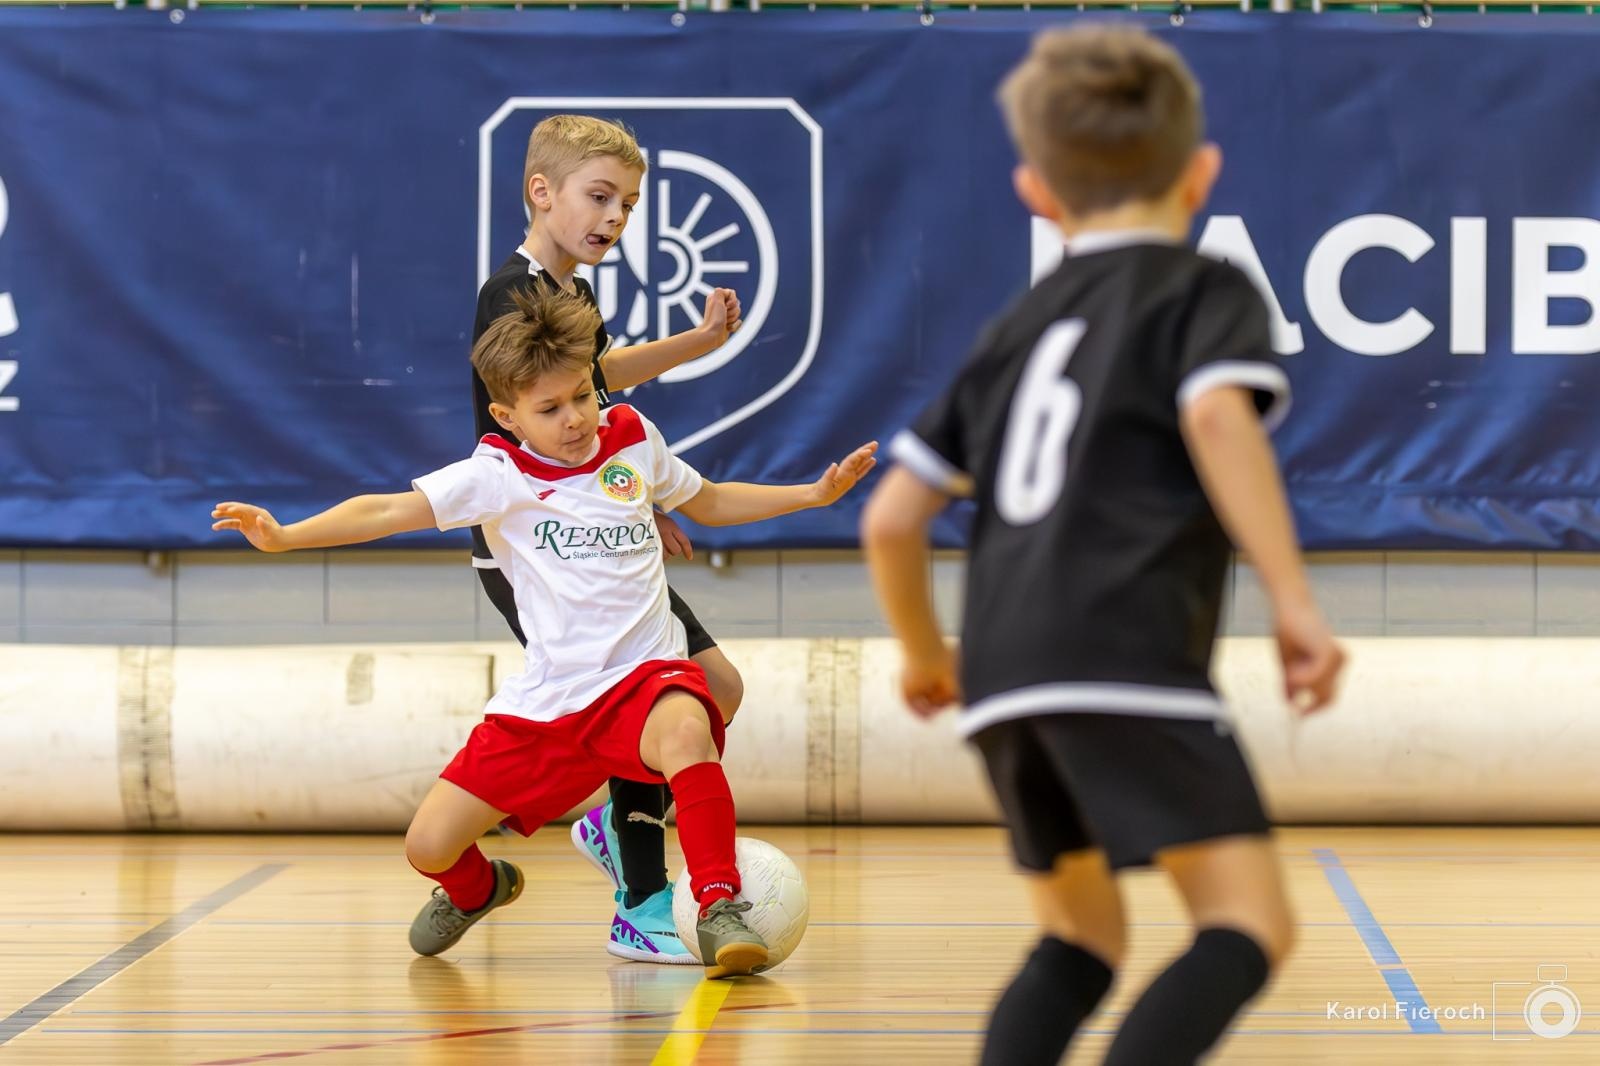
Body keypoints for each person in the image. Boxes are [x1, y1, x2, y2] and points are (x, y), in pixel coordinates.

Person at [860, 26, 1346, 1065]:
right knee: (1247, 925)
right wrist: (1294, 603)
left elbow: (891, 516)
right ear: (1202, 172)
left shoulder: (1013, 327)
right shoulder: (1200, 291)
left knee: (1079, 940)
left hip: (1001, 676)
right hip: (1125, 656)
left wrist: (922, 654)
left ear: (1036, 189)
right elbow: (1220, 422)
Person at [214, 286, 876, 978]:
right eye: (550, 409)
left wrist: (812, 494)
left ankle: (717, 906)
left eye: (582, 398)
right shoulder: (494, 476)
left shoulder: (632, 438)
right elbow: (385, 508)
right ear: (507, 416)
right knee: (428, 845)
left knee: (689, 727)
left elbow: (706, 500)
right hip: (549, 704)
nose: (575, 420)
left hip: (643, 681)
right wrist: (285, 536)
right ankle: (480, 889)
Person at [473, 113, 746, 964]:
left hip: (592, 531)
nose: (615, 218)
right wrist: (612, 503)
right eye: (600, 197)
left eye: (628, 204)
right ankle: (641, 893)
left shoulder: (574, 295)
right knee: (648, 700)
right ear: (541, 192)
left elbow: (597, 384)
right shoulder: (508, 296)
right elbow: (535, 430)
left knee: (716, 687)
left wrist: (696, 346)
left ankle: (612, 824)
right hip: (541, 551)